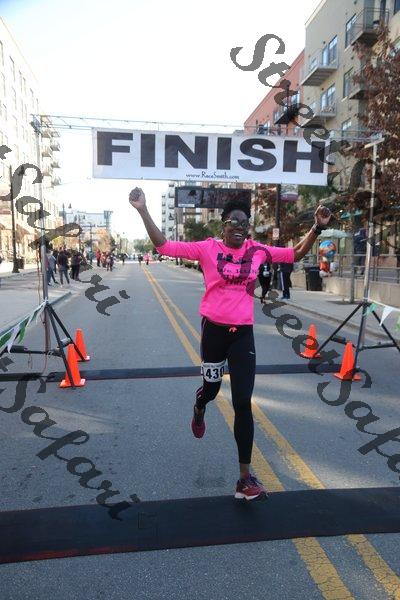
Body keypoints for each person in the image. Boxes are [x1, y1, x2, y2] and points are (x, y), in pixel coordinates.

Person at [129, 186, 332, 501]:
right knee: (211, 391)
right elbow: (163, 245)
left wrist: (317, 228)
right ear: (222, 226)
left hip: (243, 335)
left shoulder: (257, 250)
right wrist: (143, 209)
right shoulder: (207, 249)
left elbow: (294, 254)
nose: (239, 228)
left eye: (244, 224)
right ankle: (200, 406)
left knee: (242, 403)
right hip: (214, 332)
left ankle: (244, 479)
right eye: (233, 223)